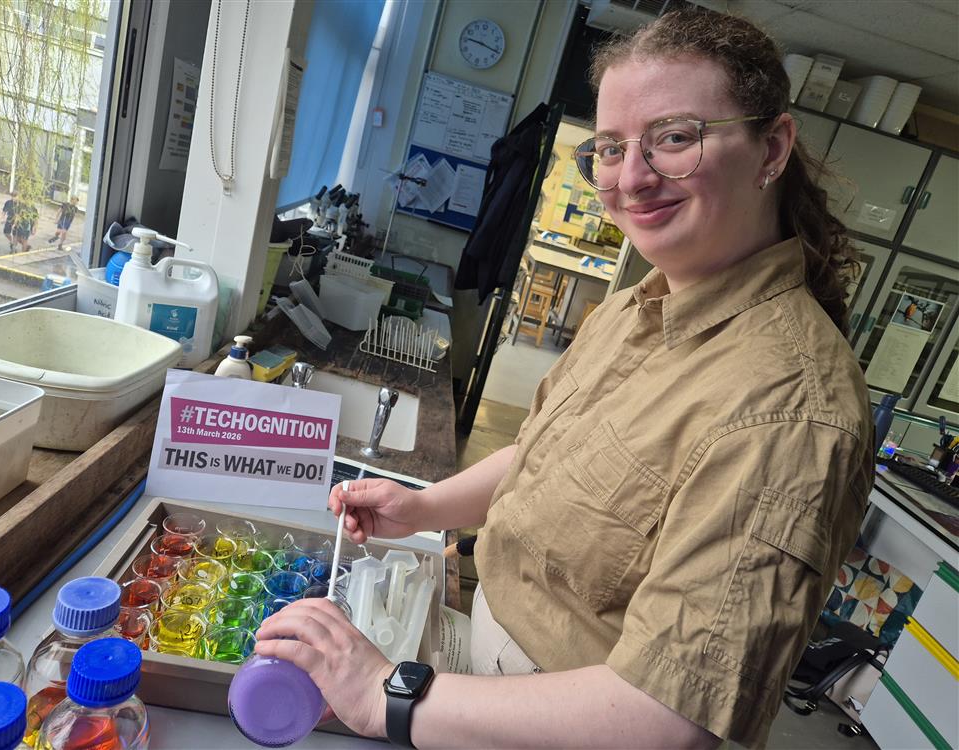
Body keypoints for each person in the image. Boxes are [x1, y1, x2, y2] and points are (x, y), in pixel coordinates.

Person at [254, 8, 873, 749]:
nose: (632, 177)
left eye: (676, 138)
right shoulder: (631, 309)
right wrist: (421, 509)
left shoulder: (791, 408)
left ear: (771, 148)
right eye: (611, 148)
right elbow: (547, 456)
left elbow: (668, 719)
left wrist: (384, 694)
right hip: (480, 673)